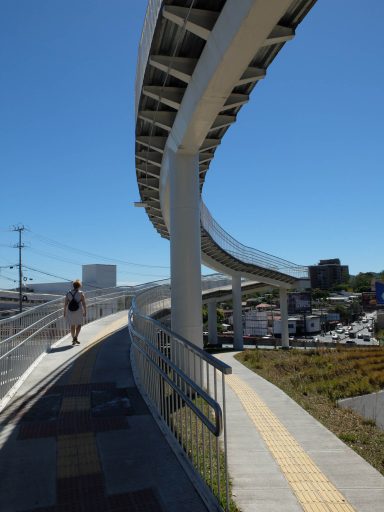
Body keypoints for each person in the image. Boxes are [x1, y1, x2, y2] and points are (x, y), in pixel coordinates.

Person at [64, 280, 86, 346]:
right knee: (79, 324)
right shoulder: (81, 293)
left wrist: (64, 312)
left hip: (70, 311)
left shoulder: (68, 293)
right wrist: (85, 311)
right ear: (79, 286)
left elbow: (65, 304)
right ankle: (76, 337)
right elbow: (84, 303)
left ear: (73, 286)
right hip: (78, 311)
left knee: (72, 325)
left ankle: (73, 338)